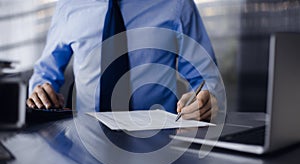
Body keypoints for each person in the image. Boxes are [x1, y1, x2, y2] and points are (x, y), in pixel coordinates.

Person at [27, 0, 219, 121]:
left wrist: (205, 99)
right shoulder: (69, 5)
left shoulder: (177, 4)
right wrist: (41, 90)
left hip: (159, 140)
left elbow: (206, 76)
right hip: (85, 140)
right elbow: (45, 72)